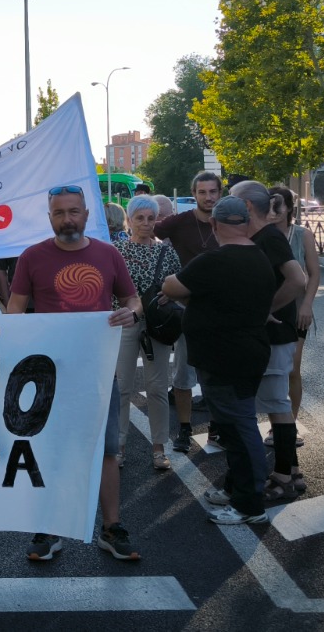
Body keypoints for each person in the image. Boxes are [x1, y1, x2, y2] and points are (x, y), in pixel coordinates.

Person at [5, 185, 142, 562]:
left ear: (86, 214)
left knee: (106, 451)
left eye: (74, 211)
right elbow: (15, 310)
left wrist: (133, 312)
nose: (68, 219)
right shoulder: (32, 257)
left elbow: (132, 299)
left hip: (97, 370)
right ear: (50, 217)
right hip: (47, 374)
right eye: (60, 213)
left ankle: (111, 528)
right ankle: (49, 529)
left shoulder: (108, 254)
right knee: (49, 450)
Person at [161, 197, 277, 526]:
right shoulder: (259, 257)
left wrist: (180, 290)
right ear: (245, 222)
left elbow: (172, 285)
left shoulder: (213, 260)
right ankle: (236, 488)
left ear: (214, 225)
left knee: (240, 430)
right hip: (248, 352)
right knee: (234, 427)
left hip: (225, 359)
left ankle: (250, 505)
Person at [230, 180, 307, 501]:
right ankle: (288, 471)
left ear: (247, 207)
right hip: (270, 334)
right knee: (275, 404)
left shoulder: (269, 237)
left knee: (277, 404)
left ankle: (285, 477)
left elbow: (298, 279)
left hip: (276, 333)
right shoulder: (261, 236)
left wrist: (266, 310)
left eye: (233, 203)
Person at [155, 171, 224, 454]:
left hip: (221, 311)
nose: (208, 197)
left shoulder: (231, 222)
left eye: (213, 192)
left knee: (217, 374)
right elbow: (146, 229)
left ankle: (216, 428)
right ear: (193, 194)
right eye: (202, 192)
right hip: (186, 309)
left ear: (221, 193)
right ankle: (183, 429)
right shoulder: (179, 222)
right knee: (183, 374)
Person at [114, 195, 180, 471]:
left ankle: (159, 447)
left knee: (157, 388)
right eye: (139, 218)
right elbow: (107, 285)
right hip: (125, 323)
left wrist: (170, 295)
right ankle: (118, 446)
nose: (145, 223)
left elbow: (180, 285)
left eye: (151, 218)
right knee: (122, 388)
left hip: (156, 325)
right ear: (129, 220)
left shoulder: (166, 252)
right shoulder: (116, 251)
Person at [268, 187, 320, 438]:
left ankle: (291, 424)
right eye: (269, 205)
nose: (274, 210)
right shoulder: (260, 235)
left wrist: (308, 305)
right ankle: (276, 422)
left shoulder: (302, 235)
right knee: (271, 370)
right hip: (270, 307)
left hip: (297, 309)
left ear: (289, 208)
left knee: (291, 368)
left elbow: (314, 273)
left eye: (278, 205)